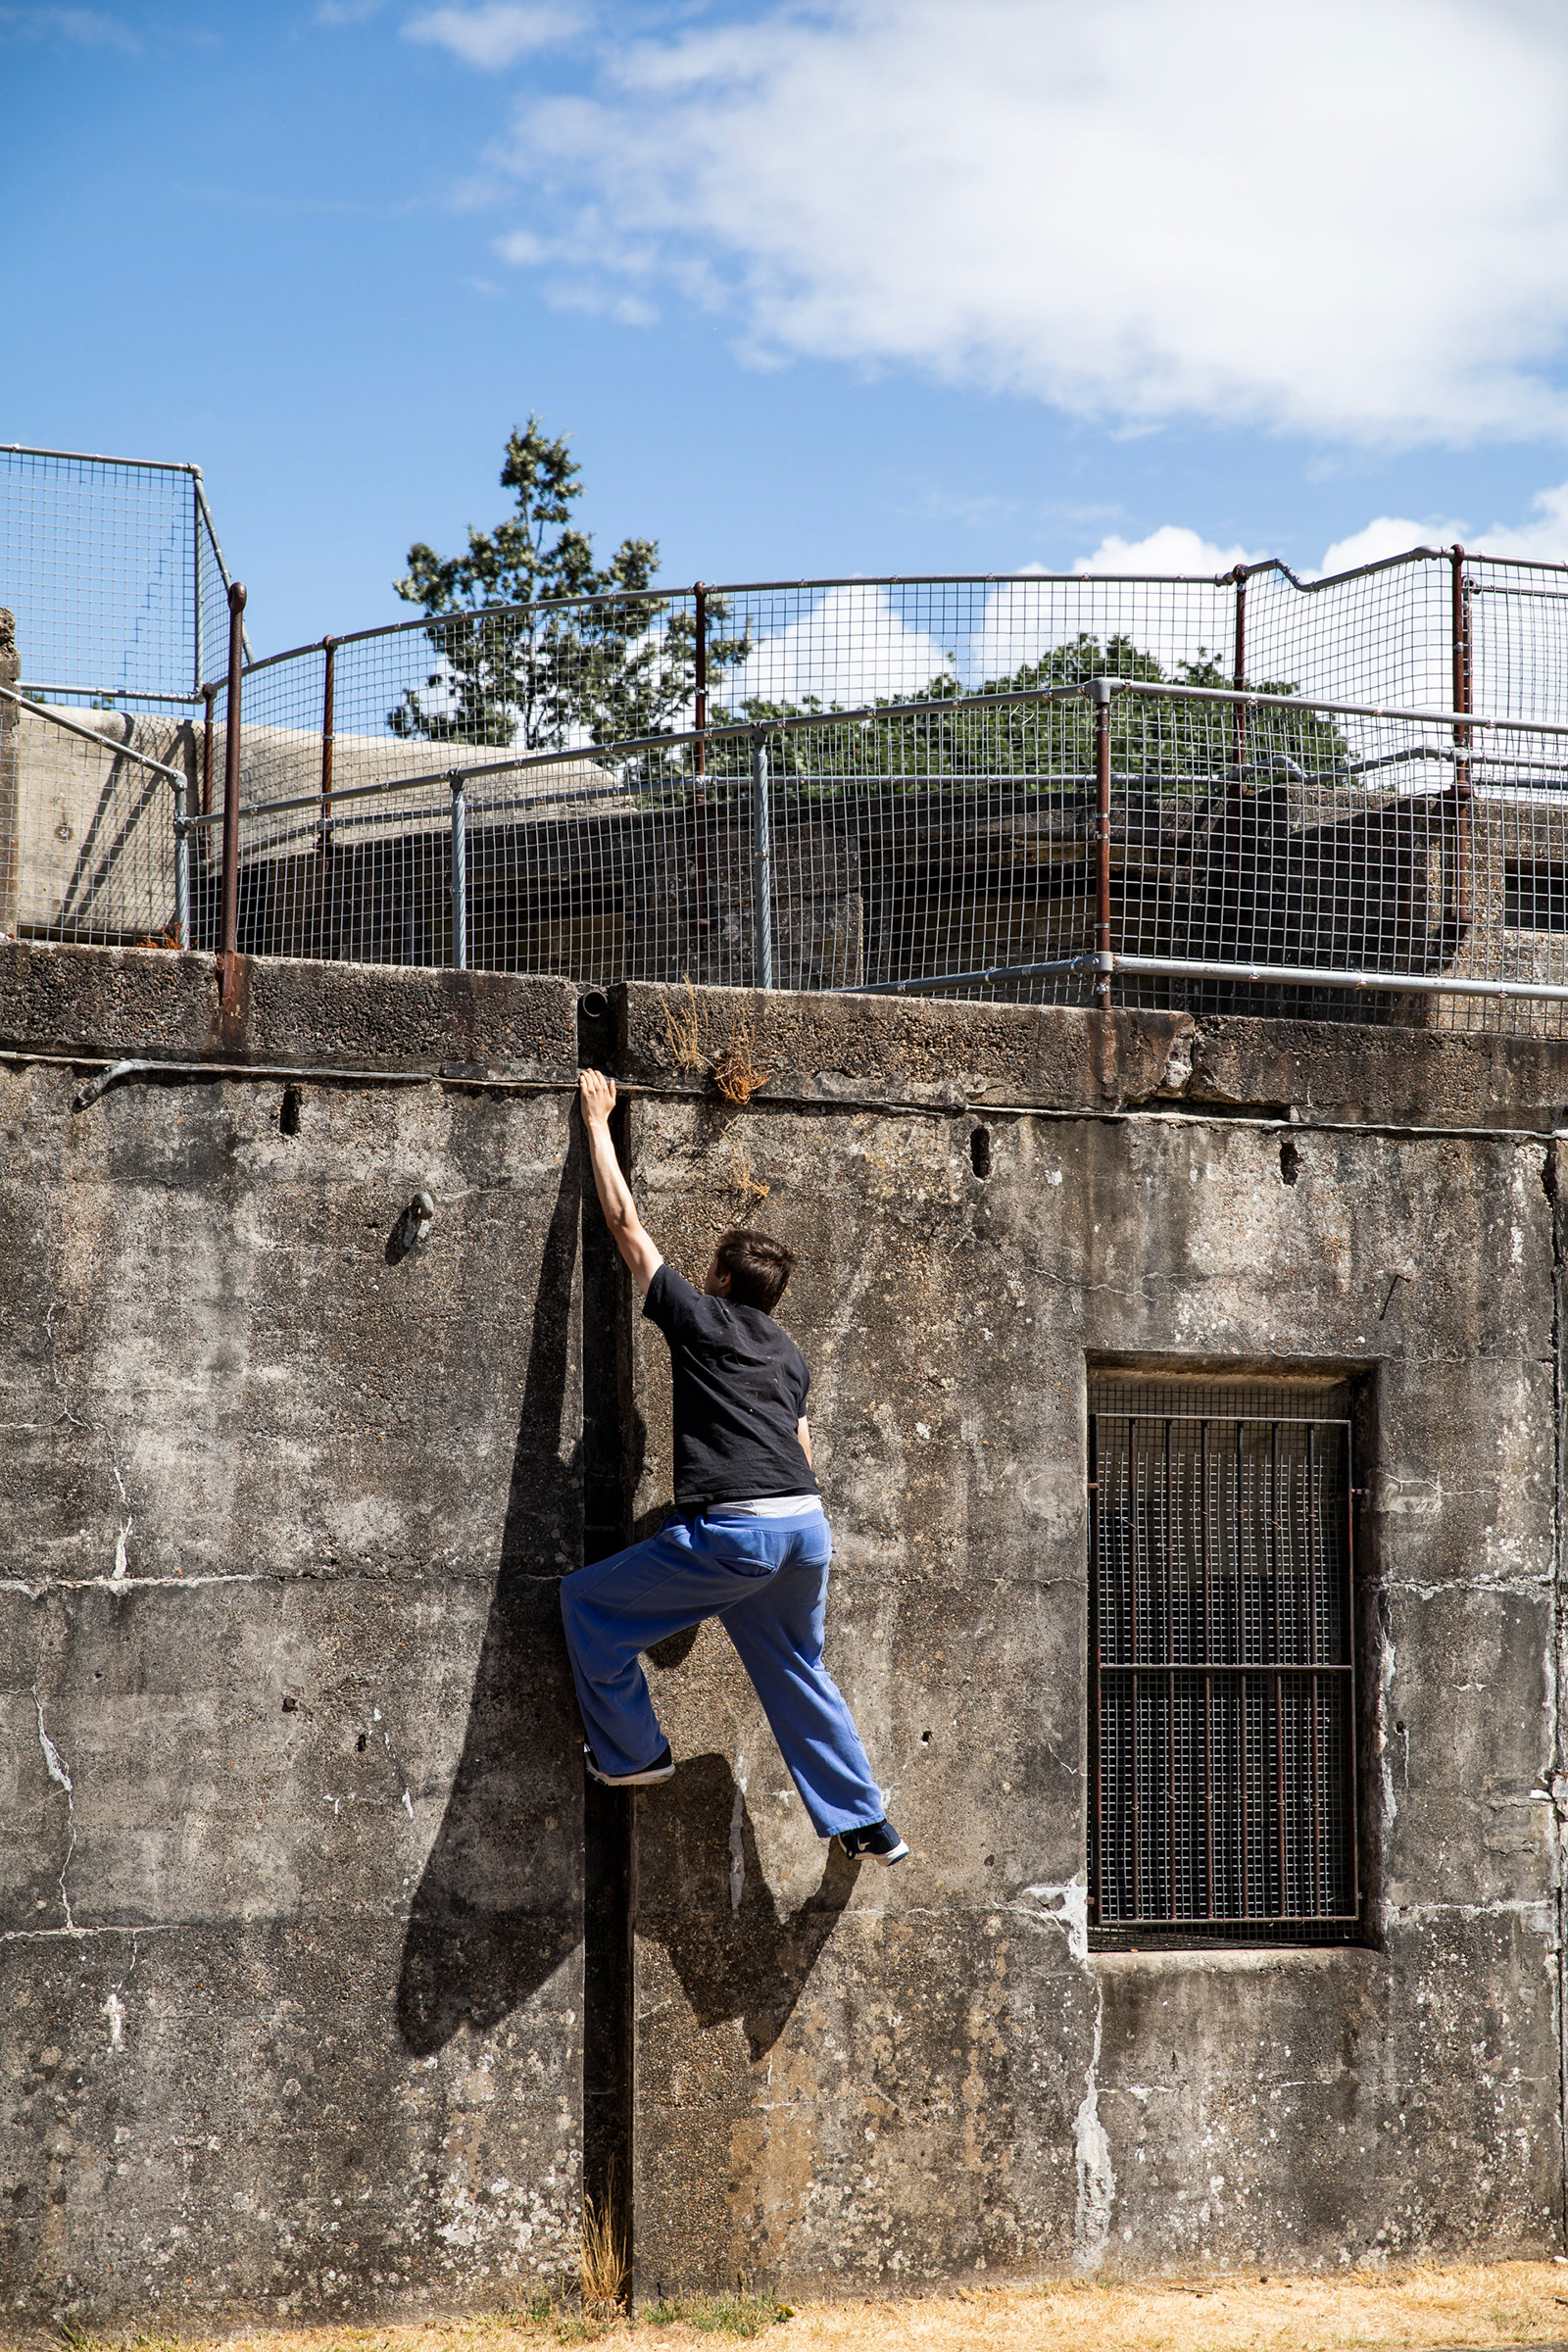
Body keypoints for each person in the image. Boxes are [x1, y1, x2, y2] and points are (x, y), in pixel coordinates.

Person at [560, 1070, 908, 1867]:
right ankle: (864, 1821)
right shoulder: (789, 1353)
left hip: (742, 1534)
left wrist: (596, 1122)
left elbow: (625, 1224)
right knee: (795, 1665)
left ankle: (634, 1755)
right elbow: (803, 1449)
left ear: (719, 1281)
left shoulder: (700, 1317)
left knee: (588, 1607)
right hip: (805, 1531)